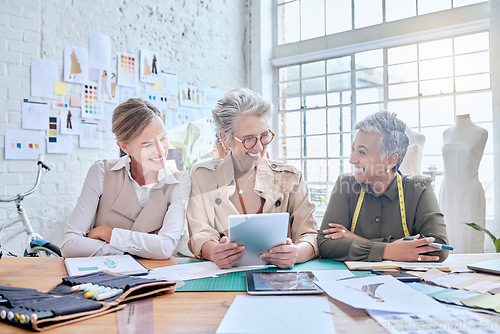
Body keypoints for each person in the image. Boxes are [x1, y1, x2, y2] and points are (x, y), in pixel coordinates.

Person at [187, 88, 317, 269]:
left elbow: (310, 234)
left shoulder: (290, 178)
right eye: (249, 139)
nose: (259, 147)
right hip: (223, 281)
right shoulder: (202, 176)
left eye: (264, 136)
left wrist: (296, 253)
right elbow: (199, 235)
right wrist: (213, 251)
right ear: (225, 139)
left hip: (279, 281)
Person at [61, 98, 191, 259]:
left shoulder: (179, 181)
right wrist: (138, 251)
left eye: (163, 139)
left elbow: (165, 247)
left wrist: (110, 234)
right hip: (103, 276)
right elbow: (70, 245)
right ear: (124, 147)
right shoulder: (101, 172)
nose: (160, 151)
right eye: (147, 145)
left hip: (156, 278)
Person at [318, 111, 449, 262]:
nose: (352, 159)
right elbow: (326, 243)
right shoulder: (346, 185)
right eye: (353, 149)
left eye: (362, 152)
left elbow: (439, 249)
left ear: (390, 160)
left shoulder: (419, 189)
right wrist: (390, 251)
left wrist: (358, 240)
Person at [440, 114, 488, 253]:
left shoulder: (481, 132)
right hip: (447, 192)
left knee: (470, 238)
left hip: (470, 193)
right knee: (447, 233)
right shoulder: (446, 133)